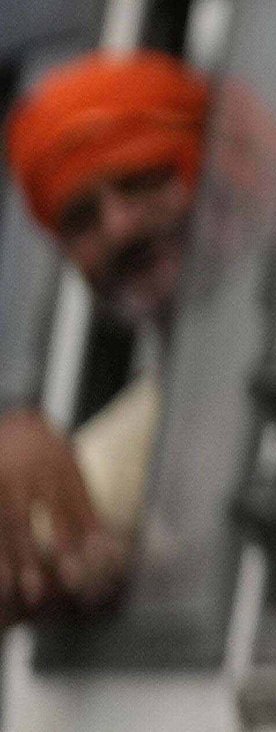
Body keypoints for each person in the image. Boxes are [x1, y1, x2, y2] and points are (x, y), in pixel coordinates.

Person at [0, 51, 214, 624]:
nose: (120, 228)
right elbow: (55, 550)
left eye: (141, 181)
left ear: (216, 171)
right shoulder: (143, 425)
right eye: (81, 218)